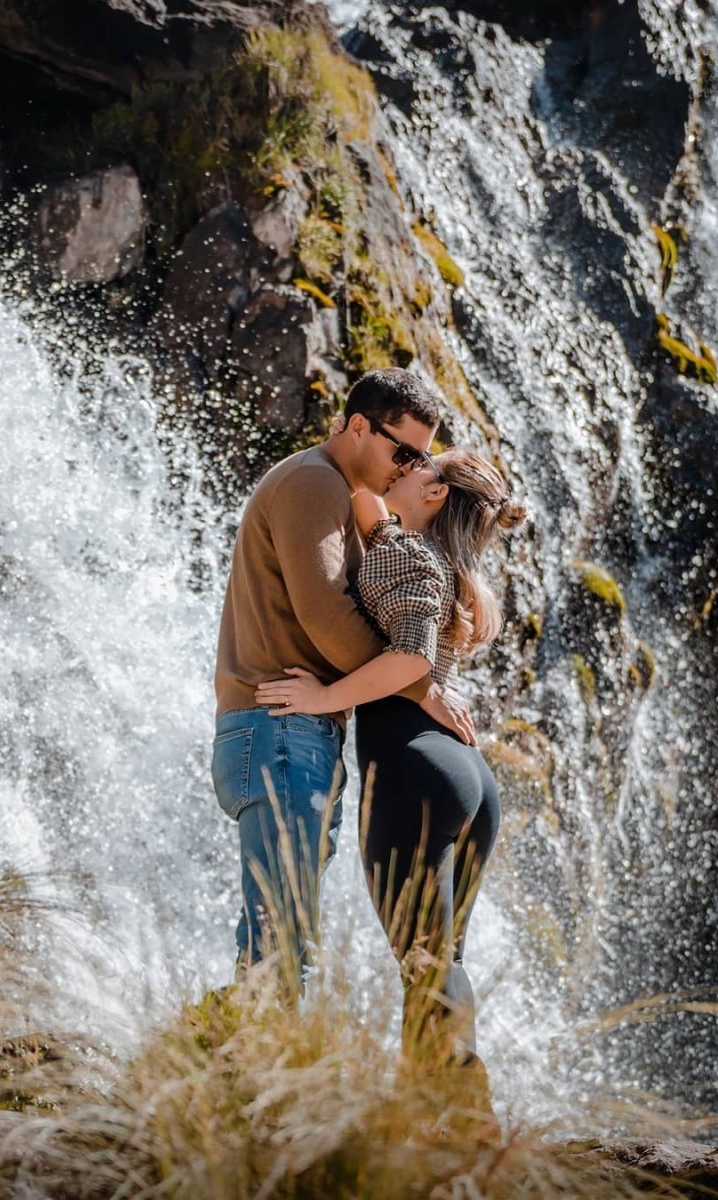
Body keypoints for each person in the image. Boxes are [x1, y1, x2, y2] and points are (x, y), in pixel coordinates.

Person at [256, 448, 524, 1069]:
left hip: (414, 772)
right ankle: (445, 1103)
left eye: (422, 464)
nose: (403, 466)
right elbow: (368, 499)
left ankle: (453, 1104)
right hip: (468, 778)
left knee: (423, 965)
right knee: (441, 959)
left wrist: (324, 698)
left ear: (435, 495)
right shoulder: (434, 557)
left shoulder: (408, 554)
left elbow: (411, 658)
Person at [212, 368, 475, 989]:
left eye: (422, 458)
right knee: (281, 942)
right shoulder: (312, 482)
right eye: (403, 452)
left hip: (291, 729)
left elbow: (376, 539)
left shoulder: (330, 483)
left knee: (285, 933)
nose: (410, 467)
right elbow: (328, 618)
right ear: (358, 427)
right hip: (280, 727)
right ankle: (245, 1046)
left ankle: (237, 1039)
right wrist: (420, 688)